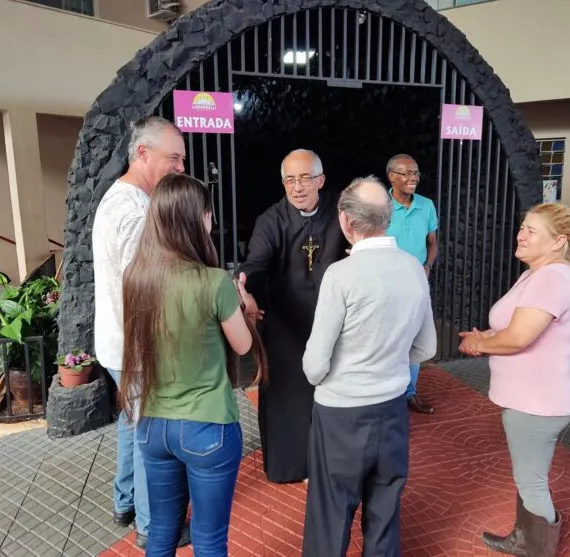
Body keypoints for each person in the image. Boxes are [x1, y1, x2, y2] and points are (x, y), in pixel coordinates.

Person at [120, 173, 267, 556]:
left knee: (163, 532)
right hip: (208, 427)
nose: (212, 221)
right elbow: (243, 346)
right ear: (195, 218)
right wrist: (246, 309)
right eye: (208, 213)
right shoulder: (214, 281)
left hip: (153, 426)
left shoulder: (137, 278)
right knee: (209, 538)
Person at [301, 176, 437, 556]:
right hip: (392, 409)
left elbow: (314, 366)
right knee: (385, 510)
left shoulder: (340, 276)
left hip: (341, 414)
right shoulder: (414, 268)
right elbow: (426, 347)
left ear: (345, 221)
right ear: (388, 217)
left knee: (331, 515)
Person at [458, 203, 570, 557]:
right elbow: (513, 327)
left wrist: (481, 342)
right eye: (522, 227)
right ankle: (523, 540)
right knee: (529, 478)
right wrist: (488, 334)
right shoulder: (538, 273)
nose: (520, 234)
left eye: (531, 230)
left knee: (532, 483)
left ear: (559, 241)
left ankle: (537, 549)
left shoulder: (550, 278)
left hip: (537, 403)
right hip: (532, 399)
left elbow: (517, 338)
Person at [91, 116, 190, 549]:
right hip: (138, 346)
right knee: (150, 434)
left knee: (133, 424)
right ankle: (151, 525)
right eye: (174, 158)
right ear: (143, 154)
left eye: (182, 158)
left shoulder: (119, 198)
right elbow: (145, 289)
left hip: (118, 343)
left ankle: (125, 500)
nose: (181, 167)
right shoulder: (136, 211)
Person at [236, 148, 350, 484]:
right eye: (289, 180)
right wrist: (246, 288)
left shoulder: (338, 211)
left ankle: (331, 462)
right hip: (285, 321)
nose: (297, 187)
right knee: (288, 395)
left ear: (321, 180)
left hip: (332, 320)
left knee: (332, 392)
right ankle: (290, 465)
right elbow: (256, 262)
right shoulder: (271, 220)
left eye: (304, 178)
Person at [385, 154, 439, 414]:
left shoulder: (427, 205)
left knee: (416, 340)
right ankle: (388, 395)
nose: (413, 178)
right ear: (392, 176)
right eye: (406, 173)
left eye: (416, 173)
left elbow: (432, 241)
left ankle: (410, 394)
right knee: (389, 339)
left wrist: (427, 266)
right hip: (386, 285)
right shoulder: (379, 205)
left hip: (417, 283)